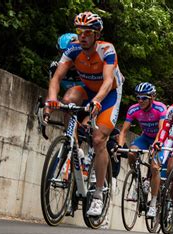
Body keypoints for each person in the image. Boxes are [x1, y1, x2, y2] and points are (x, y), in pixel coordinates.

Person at [45, 11, 124, 216]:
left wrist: (97, 101)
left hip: (109, 94)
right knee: (68, 100)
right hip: (87, 89)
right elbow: (56, 77)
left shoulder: (107, 49)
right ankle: (72, 143)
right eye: (79, 31)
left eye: (88, 32)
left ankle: (98, 194)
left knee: (99, 140)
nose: (82, 36)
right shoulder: (72, 49)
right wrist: (51, 99)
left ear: (97, 35)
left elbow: (107, 81)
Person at [117, 82, 166, 218]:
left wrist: (157, 143)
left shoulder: (160, 108)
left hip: (159, 138)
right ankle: (135, 179)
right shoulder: (133, 109)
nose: (140, 100)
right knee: (132, 152)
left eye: (144, 98)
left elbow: (162, 129)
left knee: (155, 167)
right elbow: (124, 131)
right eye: (138, 97)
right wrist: (121, 147)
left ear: (152, 98)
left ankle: (153, 203)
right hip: (145, 137)